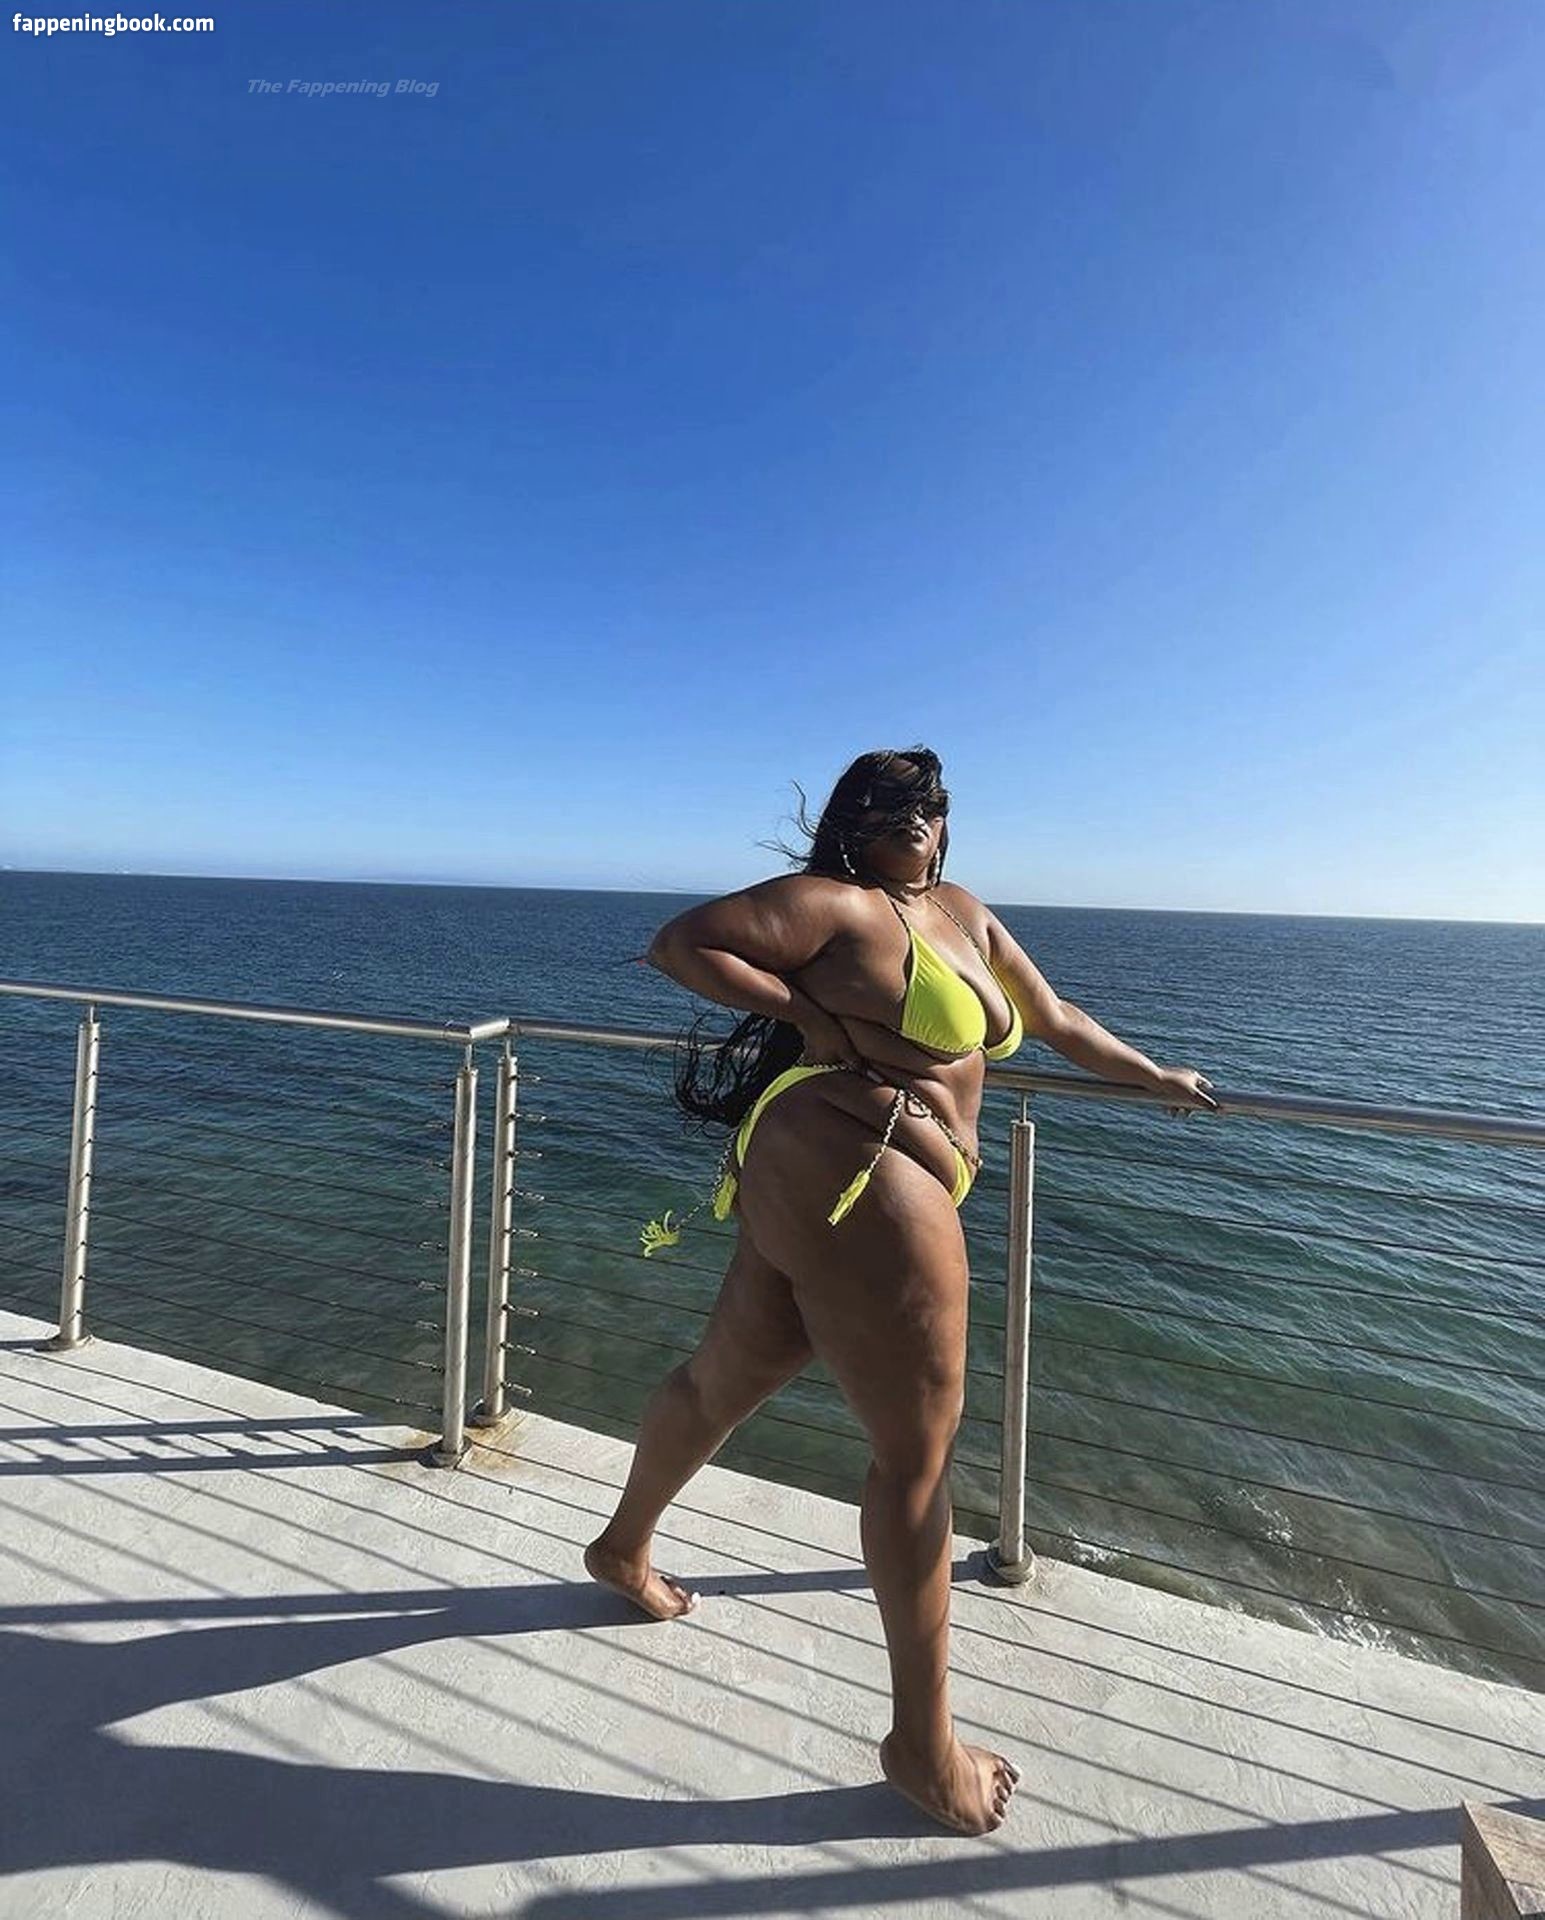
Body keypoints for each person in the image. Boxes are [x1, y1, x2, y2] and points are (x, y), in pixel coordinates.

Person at [584, 747, 1216, 1836]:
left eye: (928, 807)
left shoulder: (963, 912)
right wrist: (810, 1014)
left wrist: (1153, 1074)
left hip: (832, 1161)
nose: (915, 822)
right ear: (853, 823)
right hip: (859, 1158)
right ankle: (922, 1748)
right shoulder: (835, 904)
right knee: (917, 1457)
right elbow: (680, 944)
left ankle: (621, 1548)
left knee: (728, 1375)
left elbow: (1054, 1018)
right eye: (890, 807)